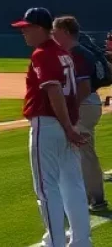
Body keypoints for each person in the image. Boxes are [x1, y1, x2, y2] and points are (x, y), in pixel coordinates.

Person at [11, 8, 92, 247]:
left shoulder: (44, 53)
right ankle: (81, 243)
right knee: (72, 184)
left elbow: (54, 91)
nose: (23, 31)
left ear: (40, 28)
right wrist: (71, 124)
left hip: (48, 124)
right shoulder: (62, 53)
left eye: (27, 27)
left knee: (47, 189)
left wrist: (68, 127)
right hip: (64, 124)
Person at [52, 16, 106, 213]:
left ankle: (93, 198)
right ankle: (90, 196)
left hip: (83, 105)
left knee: (82, 153)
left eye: (55, 31)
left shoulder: (77, 53)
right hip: (89, 104)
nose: (52, 34)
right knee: (82, 153)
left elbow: (83, 86)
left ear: (65, 31)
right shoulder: (82, 51)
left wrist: (69, 108)